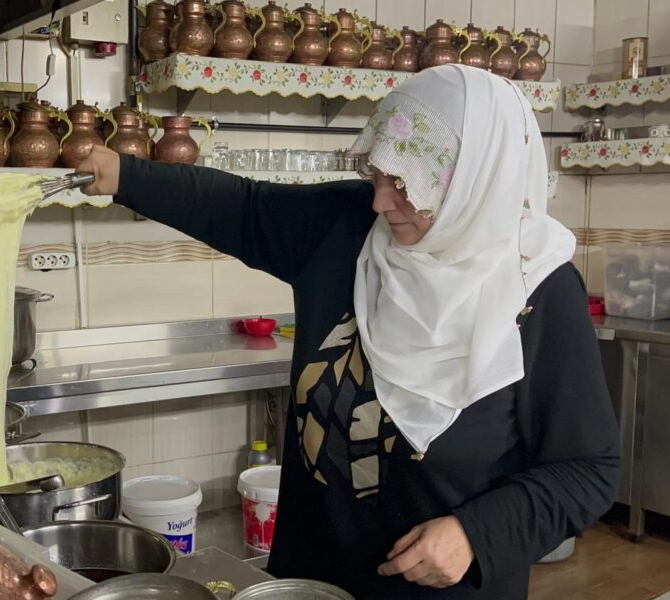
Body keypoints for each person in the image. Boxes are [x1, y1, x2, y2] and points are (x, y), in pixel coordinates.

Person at [76, 65, 621, 599]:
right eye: (376, 176)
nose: (381, 202)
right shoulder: (349, 227)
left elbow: (587, 470)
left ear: (475, 178)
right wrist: (122, 174)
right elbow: (243, 207)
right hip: (310, 582)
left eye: (404, 183)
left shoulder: (538, 290)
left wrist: (475, 535)